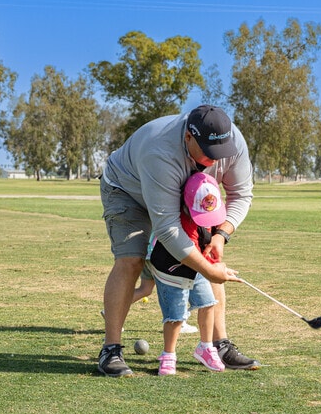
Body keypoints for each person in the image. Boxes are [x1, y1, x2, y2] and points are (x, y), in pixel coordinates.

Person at [98, 104, 260, 377]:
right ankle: (111, 349)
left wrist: (222, 235)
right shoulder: (160, 151)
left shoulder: (233, 142)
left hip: (187, 192)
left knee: (210, 254)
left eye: (219, 154)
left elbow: (241, 195)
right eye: (208, 153)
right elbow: (168, 230)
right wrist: (207, 272)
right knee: (131, 259)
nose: (213, 161)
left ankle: (218, 345)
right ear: (188, 137)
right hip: (126, 189)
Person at [148, 172, 227, 375]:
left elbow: (209, 241)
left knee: (208, 303)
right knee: (175, 316)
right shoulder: (183, 222)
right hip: (172, 269)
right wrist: (215, 269)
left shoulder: (207, 215)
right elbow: (190, 254)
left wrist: (216, 260)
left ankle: (205, 347)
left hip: (197, 267)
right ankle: (168, 354)